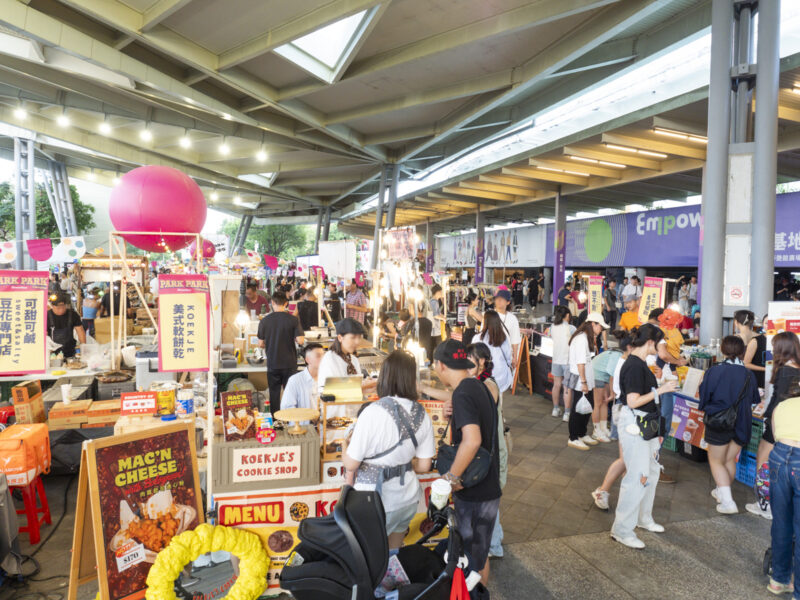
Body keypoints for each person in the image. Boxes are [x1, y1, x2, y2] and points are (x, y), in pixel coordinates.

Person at [343, 350, 435, 549]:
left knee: (370, 558)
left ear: (385, 376)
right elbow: (425, 465)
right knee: (393, 554)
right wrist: (400, 461)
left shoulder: (373, 412)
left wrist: (345, 447)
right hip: (408, 497)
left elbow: (351, 463)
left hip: (375, 500)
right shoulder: (422, 414)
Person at [432, 339, 501, 585]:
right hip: (489, 486)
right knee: (479, 558)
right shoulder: (478, 386)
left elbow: (472, 441)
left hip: (473, 491)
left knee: (469, 559)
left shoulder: (462, 392)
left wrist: (451, 478)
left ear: (440, 365)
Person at [610, 324, 677, 549]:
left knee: (652, 471)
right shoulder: (634, 366)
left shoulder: (639, 364)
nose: (660, 348)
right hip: (635, 424)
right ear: (650, 342)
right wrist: (661, 390)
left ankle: (643, 518)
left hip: (644, 425)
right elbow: (632, 401)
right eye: (658, 344)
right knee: (637, 476)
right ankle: (622, 529)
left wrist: (658, 386)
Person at [698, 336, 759, 514]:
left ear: (723, 351)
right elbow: (754, 399)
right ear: (742, 352)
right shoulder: (749, 374)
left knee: (716, 461)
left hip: (719, 421)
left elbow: (704, 397)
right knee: (728, 460)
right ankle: (721, 492)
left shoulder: (714, 371)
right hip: (743, 423)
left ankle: (728, 502)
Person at [746, 331, 800, 520]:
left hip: (777, 426)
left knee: (764, 462)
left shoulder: (785, 371)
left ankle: (765, 504)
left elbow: (779, 402)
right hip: (792, 428)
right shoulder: (797, 369)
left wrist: (767, 417)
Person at [465, 342, 508, 560]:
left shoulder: (489, 385)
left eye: (470, 358)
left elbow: (478, 407)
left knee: (490, 498)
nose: (465, 362)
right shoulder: (474, 382)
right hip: (485, 450)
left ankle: (492, 546)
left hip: (492, 450)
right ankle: (494, 543)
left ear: (482, 361)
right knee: (489, 498)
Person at [764, 372, 800, 595]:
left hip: (779, 457)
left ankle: (778, 579)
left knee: (782, 522)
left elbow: (776, 435)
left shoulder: (783, 405)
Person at [591, 332, 632, 510]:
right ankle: (597, 429)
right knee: (598, 403)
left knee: (602, 404)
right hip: (597, 376)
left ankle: (602, 428)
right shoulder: (620, 359)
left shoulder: (624, 359)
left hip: (622, 406)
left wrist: (612, 392)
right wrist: (613, 392)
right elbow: (611, 376)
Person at [257, 291, 305, 416]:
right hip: (289, 363)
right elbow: (300, 340)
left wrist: (271, 342)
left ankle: (276, 421)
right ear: (286, 304)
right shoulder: (293, 320)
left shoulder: (265, 321)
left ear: (272, 303)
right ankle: (290, 420)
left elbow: (260, 344)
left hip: (273, 362)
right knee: (291, 393)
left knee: (274, 393)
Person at [567, 313, 609, 450]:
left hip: (585, 378)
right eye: (600, 327)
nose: (601, 330)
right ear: (593, 324)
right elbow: (580, 363)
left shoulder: (585, 338)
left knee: (587, 406)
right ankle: (573, 437)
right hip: (580, 378)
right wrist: (584, 382)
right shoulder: (581, 339)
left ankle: (581, 434)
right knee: (578, 408)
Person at [318, 317, 378, 394]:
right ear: (340, 338)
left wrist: (367, 389)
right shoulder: (330, 359)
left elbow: (354, 392)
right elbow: (330, 390)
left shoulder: (354, 360)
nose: (357, 342)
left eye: (359, 337)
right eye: (353, 337)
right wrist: (362, 385)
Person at [547, 306, 575, 421]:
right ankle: (567, 413)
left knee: (556, 384)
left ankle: (555, 409)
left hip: (556, 359)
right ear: (567, 315)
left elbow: (550, 337)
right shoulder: (571, 328)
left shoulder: (552, 327)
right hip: (568, 360)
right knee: (567, 387)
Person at [280, 343, 325, 411]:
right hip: (303, 421)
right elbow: (286, 408)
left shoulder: (327, 379)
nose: (323, 359)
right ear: (307, 360)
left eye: (323, 355)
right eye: (318, 356)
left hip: (324, 421)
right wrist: (307, 415)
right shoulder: (294, 380)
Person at [478, 311, 513, 394]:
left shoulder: (478, 338)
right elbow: (508, 358)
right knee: (498, 398)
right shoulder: (503, 339)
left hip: (484, 376)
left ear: (485, 322)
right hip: (501, 376)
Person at [733, 310, 766, 389]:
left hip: (739, 376)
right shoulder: (760, 337)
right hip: (758, 377)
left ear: (736, 322)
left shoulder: (734, 339)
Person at [47, 292, 86, 358]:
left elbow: (80, 332)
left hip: (70, 351)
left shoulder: (73, 314)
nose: (61, 310)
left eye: (63, 306)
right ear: (52, 306)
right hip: (52, 353)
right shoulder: (47, 316)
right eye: (58, 308)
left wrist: (84, 349)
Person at [492, 289, 521, 371]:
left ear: (508, 302)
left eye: (502, 299)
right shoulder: (489, 316)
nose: (498, 301)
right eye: (497, 298)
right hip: (492, 357)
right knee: (491, 382)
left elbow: (515, 340)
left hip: (506, 358)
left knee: (506, 382)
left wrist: (515, 357)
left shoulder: (512, 318)